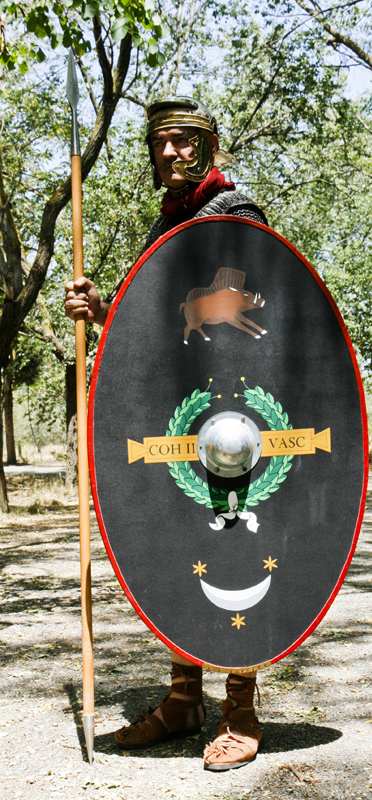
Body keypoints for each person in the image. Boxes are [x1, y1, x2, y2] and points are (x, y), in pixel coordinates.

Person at [64, 97, 268, 771]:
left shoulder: (236, 214)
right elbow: (150, 325)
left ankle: (240, 709)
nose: (171, 152)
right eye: (160, 142)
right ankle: (183, 700)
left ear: (209, 145)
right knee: (180, 554)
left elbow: (258, 318)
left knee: (236, 552)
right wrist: (101, 309)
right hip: (176, 417)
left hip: (233, 420)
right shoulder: (165, 225)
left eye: (183, 140)